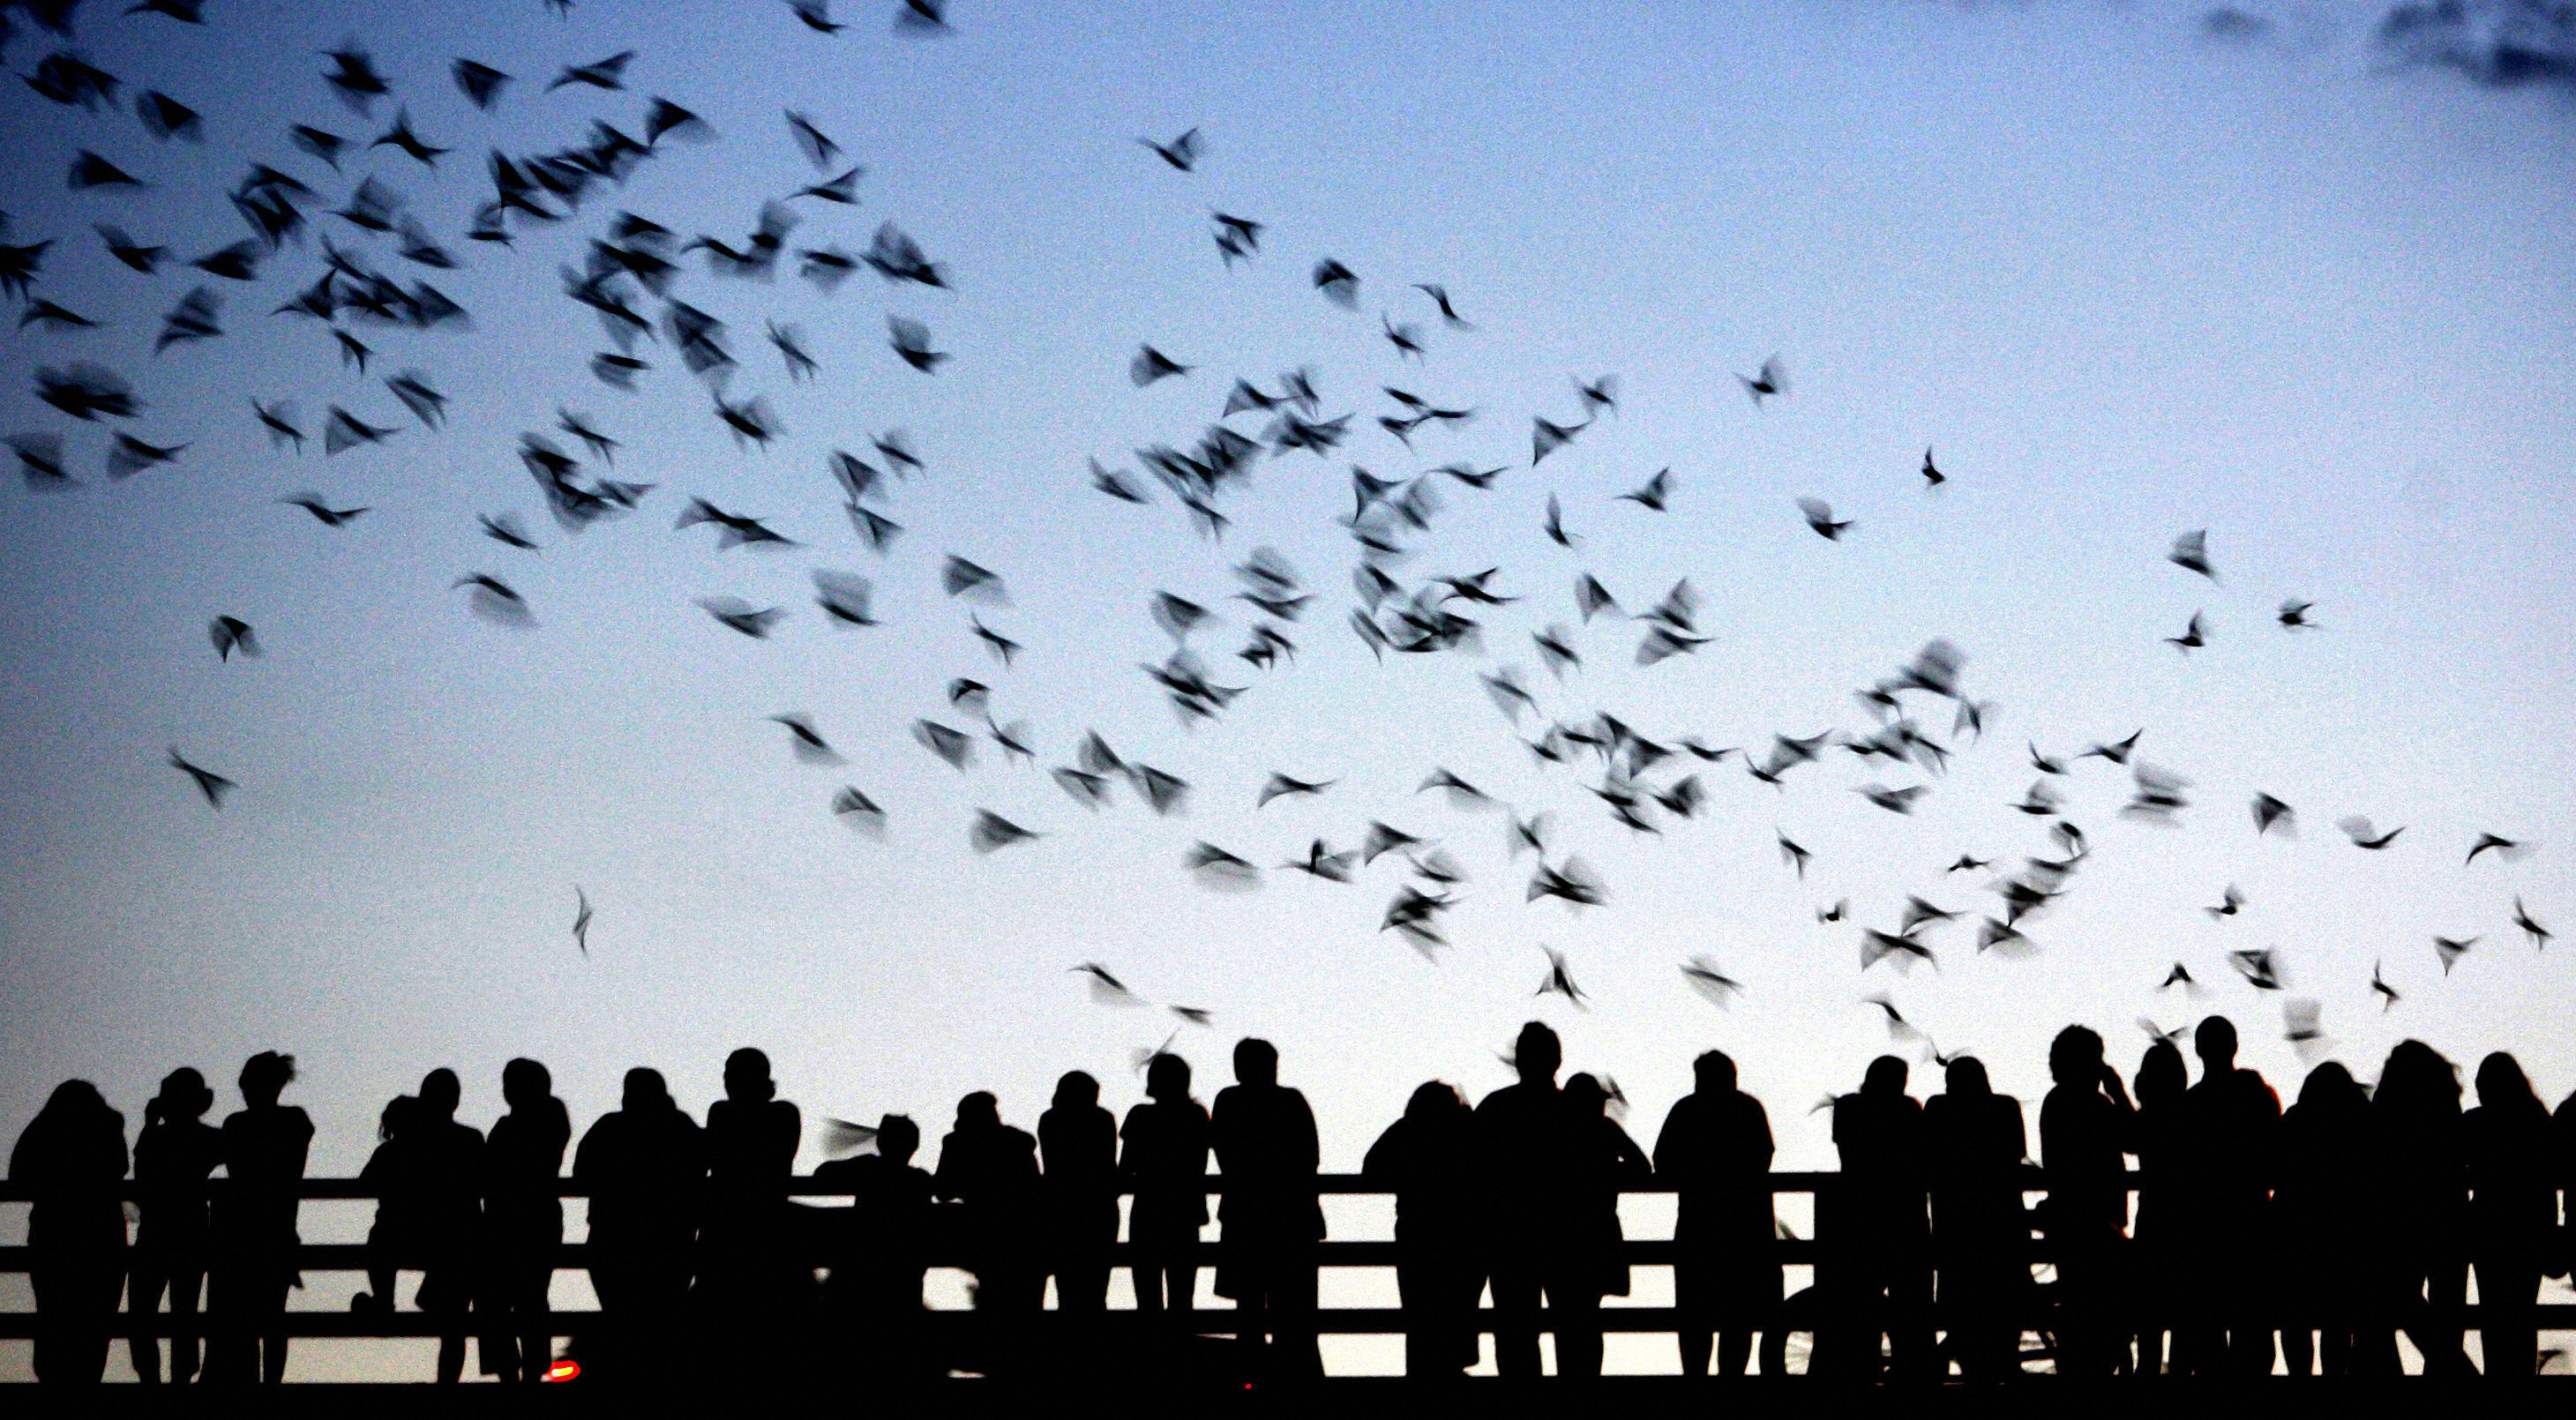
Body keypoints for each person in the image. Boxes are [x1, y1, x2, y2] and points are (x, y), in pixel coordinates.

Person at [573, 1066, 706, 1383]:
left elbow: (581, 1172)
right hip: (671, 1239)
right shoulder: (680, 1126)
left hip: (614, 1239)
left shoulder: (610, 1126)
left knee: (622, 1318)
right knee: (662, 1319)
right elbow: (703, 1164)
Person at [1653, 1050, 1777, 1379]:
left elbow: (1662, 1162)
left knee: (1695, 1316)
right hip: (1745, 1229)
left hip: (1698, 1227)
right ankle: (1730, 1386)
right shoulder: (1748, 1109)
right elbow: (1764, 1156)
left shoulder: (1687, 1110)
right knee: (1738, 1317)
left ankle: (1696, 1385)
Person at [356, 1070, 485, 1383]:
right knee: (454, 1325)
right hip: (456, 1242)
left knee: (380, 1241)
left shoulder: (399, 1147)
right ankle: (447, 1385)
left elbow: (363, 1183)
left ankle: (384, 1302)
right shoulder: (469, 1139)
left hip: (406, 1238)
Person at [1211, 1037, 1325, 1382]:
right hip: (1294, 1220)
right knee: (1295, 1314)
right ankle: (1298, 1383)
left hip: (1244, 1216)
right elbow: (1310, 1157)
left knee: (1249, 1313)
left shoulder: (1229, 1101)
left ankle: (1252, 1380)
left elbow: (1225, 1155)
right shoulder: (1292, 1102)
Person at [2355, 1040, 2471, 1377]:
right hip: (2448, 1217)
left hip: (2398, 1220)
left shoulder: (2386, 1109)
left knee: (2394, 1303)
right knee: (2447, 1312)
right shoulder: (2447, 1106)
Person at [1475, 1022, 1580, 1379]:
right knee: (1574, 1326)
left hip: (1508, 1234)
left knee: (1514, 1329)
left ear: (1518, 1061)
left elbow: (1471, 1167)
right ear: (1557, 1061)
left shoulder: (1495, 1108)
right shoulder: (1573, 1111)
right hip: (1567, 1233)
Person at [2175, 1016, 2279, 1376]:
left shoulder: (2189, 1106)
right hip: (2250, 1223)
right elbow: (2273, 1155)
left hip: (2203, 1232)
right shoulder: (2254, 1091)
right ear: (2234, 1047)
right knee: (2253, 1327)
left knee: (2209, 1333)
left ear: (2199, 1050)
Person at [1818, 1055, 1930, 1381]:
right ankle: (1911, 1372)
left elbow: (1849, 1155)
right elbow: (1920, 1156)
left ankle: (1861, 1370)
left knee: (1860, 1301)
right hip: (1905, 1217)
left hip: (1858, 1218)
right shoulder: (1909, 1109)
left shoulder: (1849, 1108)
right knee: (1909, 1301)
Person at [11, 1080, 129, 1384]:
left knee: (53, 1313)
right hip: (102, 1235)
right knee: (96, 1319)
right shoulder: (108, 1127)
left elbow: (18, 1174)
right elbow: (121, 1166)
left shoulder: (46, 1129)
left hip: (53, 1234)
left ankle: (55, 1384)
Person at [204, 1051, 311, 1385]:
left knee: (247, 1319)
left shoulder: (240, 1125)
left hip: (241, 1234)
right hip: (273, 1232)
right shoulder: (293, 1121)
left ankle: (252, 1385)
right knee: (271, 1318)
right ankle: (268, 1387)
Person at [698, 1048, 808, 1365]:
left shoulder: (722, 1113)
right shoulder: (785, 1114)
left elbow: (713, 1157)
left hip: (726, 1231)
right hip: (771, 1230)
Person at [1364, 1080, 1480, 1378]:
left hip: (1417, 1236)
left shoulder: (1409, 1130)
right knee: (1457, 1314)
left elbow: (1371, 1168)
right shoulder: (1465, 1130)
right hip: (1462, 1238)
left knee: (1420, 1319)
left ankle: (1423, 1383)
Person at [1922, 1056, 2027, 1382]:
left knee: (1961, 1302)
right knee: (2007, 1300)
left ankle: (1969, 1368)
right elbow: (2015, 1155)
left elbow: (1927, 1157)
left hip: (1953, 1223)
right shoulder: (2005, 1108)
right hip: (2003, 1221)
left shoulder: (1938, 1109)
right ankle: (2005, 1365)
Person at [2037, 1026, 2132, 1379]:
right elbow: (2134, 1139)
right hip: (2098, 1228)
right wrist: (2118, 1092)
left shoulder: (2056, 1102)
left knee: (2080, 1315)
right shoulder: (2095, 1105)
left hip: (2069, 1226)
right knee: (2102, 1319)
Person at [815, 1114, 936, 1377]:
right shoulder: (920, 1180)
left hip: (862, 1279)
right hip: (905, 1281)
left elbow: (822, 1174)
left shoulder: (869, 1168)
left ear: (882, 1142)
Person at [935, 1091, 1043, 1375]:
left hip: (983, 1237)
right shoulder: (1018, 1143)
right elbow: (1034, 1189)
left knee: (995, 1301)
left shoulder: (957, 1143)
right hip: (1022, 1238)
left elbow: (943, 1191)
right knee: (1023, 1307)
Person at [2273, 1061, 2370, 1377]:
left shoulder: (2295, 1121)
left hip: (2295, 1237)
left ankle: (2300, 1377)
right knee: (2338, 1320)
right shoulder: (2357, 1125)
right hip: (2345, 1237)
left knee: (2294, 1318)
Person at [479, 1058, 571, 1384]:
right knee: (528, 1297)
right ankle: (528, 1371)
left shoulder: (517, 1125)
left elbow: (490, 1170)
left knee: (502, 1299)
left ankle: (515, 1372)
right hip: (538, 1218)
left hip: (513, 1221)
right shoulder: (551, 1118)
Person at [128, 1068, 222, 1385]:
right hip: (191, 1231)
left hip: (155, 1232)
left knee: (143, 1313)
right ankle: (179, 1380)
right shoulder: (210, 1138)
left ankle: (151, 1379)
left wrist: (150, 1124)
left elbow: (140, 1176)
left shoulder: (154, 1137)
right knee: (185, 1312)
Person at [2463, 1052, 2552, 1379]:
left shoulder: (2477, 1123)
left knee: (2493, 1316)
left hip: (2488, 1234)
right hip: (2529, 1233)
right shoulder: (2536, 1120)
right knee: (2522, 1313)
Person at [1556, 1072, 1651, 1378]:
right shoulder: (1605, 1131)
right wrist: (1609, 1173)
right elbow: (1642, 1167)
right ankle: (1588, 1380)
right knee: (1589, 1316)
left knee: (1566, 1316)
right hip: (1599, 1231)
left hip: (1561, 1235)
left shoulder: (1556, 1134)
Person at [1119, 1053, 1212, 1334]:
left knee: (1147, 1298)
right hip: (1186, 1213)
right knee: (1182, 1298)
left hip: (1148, 1212)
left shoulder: (1140, 1116)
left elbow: (1125, 1170)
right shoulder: (1197, 1116)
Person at [2128, 1040, 2190, 1374]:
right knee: (2183, 1318)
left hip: (2152, 1221)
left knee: (2149, 1319)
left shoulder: (2149, 1117)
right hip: (2188, 1225)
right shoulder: (2190, 1113)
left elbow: (2129, 1137)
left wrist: (2118, 1094)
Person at [1039, 1071, 1120, 1319]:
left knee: (1067, 1283)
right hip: (1099, 1210)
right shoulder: (1103, 1119)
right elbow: (1108, 1164)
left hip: (1061, 1209)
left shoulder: (1051, 1120)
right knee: (1097, 1283)